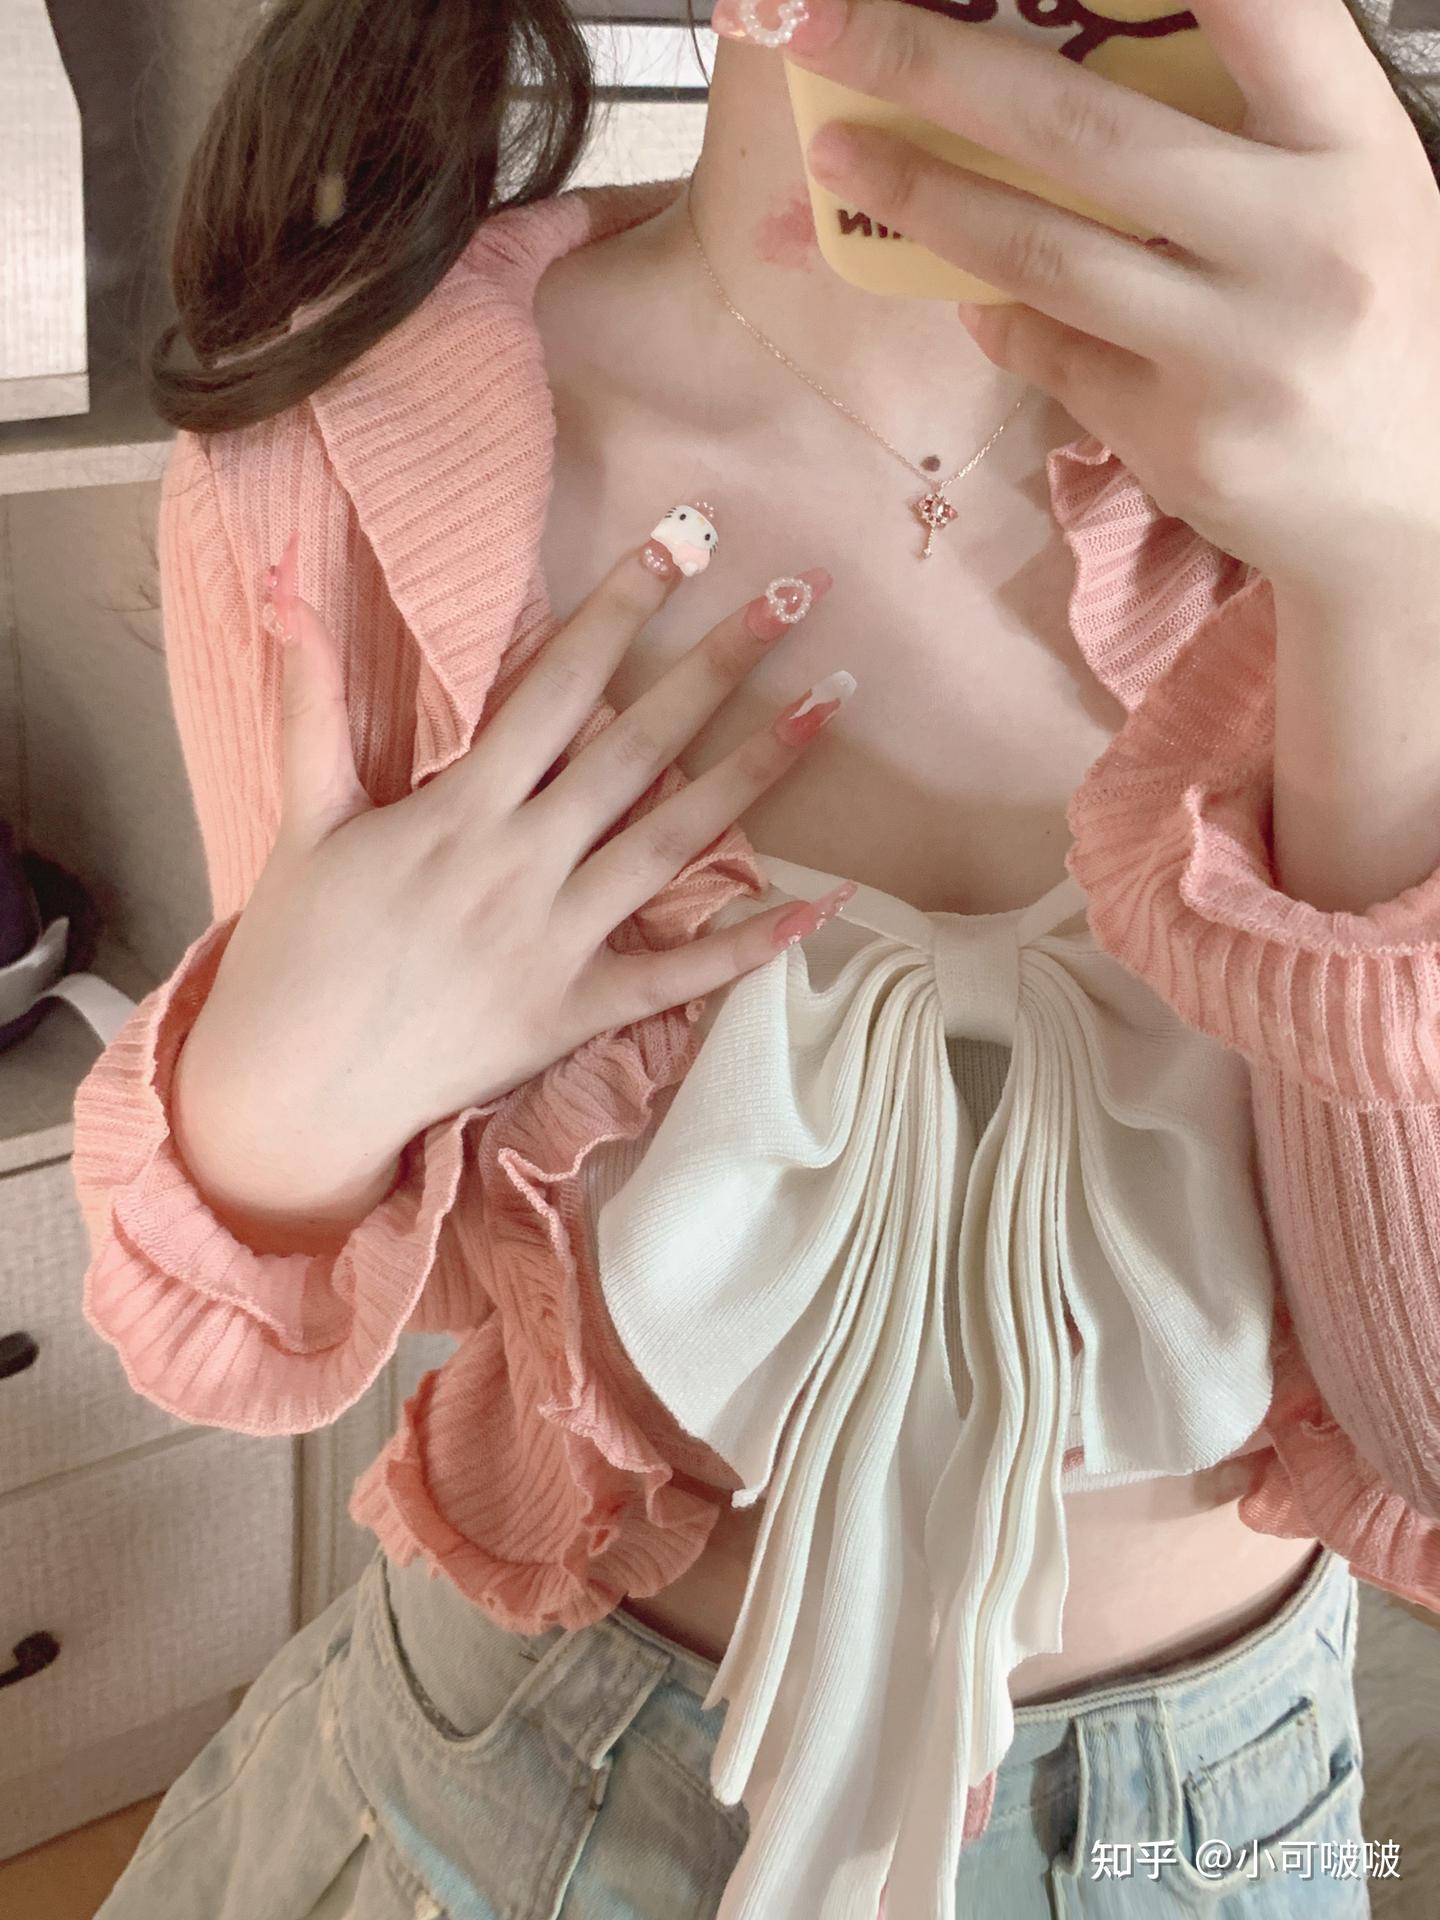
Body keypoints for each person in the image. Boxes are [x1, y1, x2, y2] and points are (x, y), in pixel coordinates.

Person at [80, 1, 1440, 1915]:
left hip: (1229, 1832)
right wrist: (273, 1102)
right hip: (521, 1801)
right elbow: (322, 1294)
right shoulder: (338, 442)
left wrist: (1394, 583)